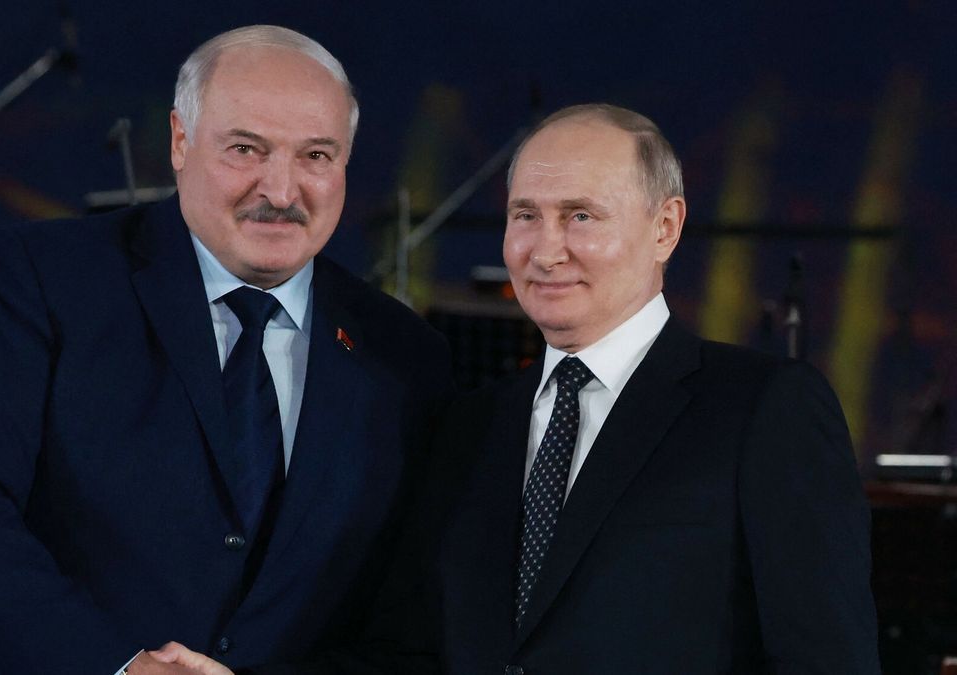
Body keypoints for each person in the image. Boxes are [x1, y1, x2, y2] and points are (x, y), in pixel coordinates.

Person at [158, 104, 881, 674]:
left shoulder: (763, 409)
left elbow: (824, 661)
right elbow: (408, 657)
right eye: (525, 215)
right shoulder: (469, 425)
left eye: (581, 217)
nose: (545, 248)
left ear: (666, 227)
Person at [0, 25, 452, 675]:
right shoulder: (42, 280)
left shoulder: (406, 358)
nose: (282, 191)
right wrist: (118, 666)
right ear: (181, 141)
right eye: (246, 148)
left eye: (316, 156)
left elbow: (409, 626)